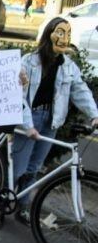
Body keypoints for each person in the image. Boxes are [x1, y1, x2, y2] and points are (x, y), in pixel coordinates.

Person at [13, 17, 98, 223]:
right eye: (60, 32)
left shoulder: (68, 66)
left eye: (68, 34)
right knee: (17, 168)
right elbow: (19, 96)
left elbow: (80, 90)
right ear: (48, 34)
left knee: (33, 169)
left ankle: (22, 207)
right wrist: (28, 126)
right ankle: (0, 207)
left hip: (51, 121)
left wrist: (94, 114)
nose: (64, 38)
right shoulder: (28, 61)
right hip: (29, 118)